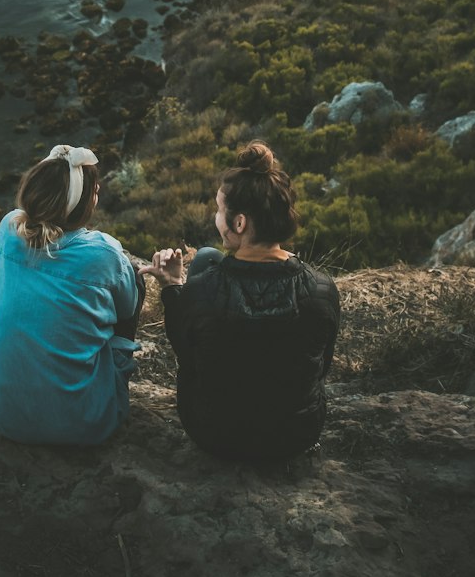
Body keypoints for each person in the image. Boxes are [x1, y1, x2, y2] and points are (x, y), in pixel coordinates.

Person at [144, 141, 340, 463]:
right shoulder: (321, 289)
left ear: (239, 223)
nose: (215, 217)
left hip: (216, 434)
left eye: (220, 210)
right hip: (296, 435)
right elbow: (321, 369)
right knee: (209, 257)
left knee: (207, 260)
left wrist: (172, 286)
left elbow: (187, 355)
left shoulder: (202, 291)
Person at [0, 144, 142, 446]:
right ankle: (112, 375)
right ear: (84, 203)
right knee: (134, 287)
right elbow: (126, 308)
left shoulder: (7, 227)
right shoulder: (103, 254)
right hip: (82, 425)